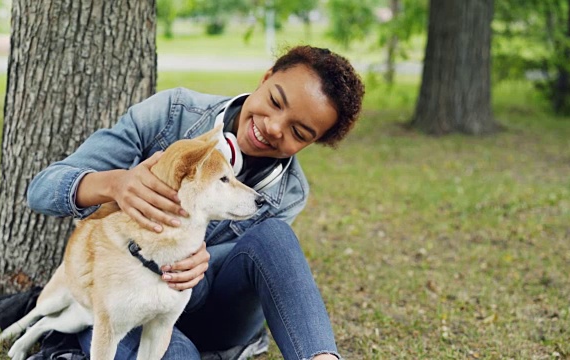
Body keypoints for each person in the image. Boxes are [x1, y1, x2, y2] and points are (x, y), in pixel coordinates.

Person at [26, 45, 365, 360]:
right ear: (265, 78)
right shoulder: (172, 113)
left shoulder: (290, 192)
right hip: (132, 306)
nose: (274, 127)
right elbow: (41, 191)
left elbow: (247, 268)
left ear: (311, 143)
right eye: (276, 101)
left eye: (300, 133)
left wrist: (201, 257)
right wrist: (113, 184)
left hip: (215, 314)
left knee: (275, 236)